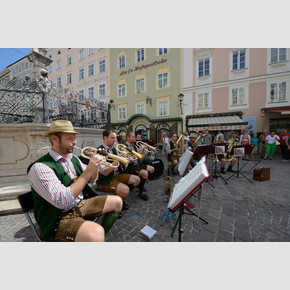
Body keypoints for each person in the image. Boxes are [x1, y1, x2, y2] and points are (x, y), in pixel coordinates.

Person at [27, 120, 122, 242]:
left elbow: (93, 178)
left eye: (75, 138)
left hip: (80, 204)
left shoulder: (73, 159)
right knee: (95, 233)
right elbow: (62, 201)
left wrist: (96, 164)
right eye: (70, 138)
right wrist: (88, 170)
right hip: (59, 218)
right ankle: (98, 238)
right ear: (55, 139)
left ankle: (101, 239)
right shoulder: (40, 167)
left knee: (118, 202)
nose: (75, 142)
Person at [96, 129, 141, 218]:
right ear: (105, 138)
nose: (115, 140)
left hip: (117, 175)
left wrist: (126, 156)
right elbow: (105, 172)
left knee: (137, 180)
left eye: (115, 138)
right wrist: (118, 159)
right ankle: (115, 206)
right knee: (125, 190)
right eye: (112, 138)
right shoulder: (99, 151)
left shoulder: (114, 149)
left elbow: (124, 163)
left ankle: (120, 197)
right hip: (105, 180)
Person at [122, 131, 155, 201]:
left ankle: (140, 185)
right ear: (128, 138)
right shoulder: (124, 147)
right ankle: (141, 192)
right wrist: (139, 152)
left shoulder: (134, 146)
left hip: (138, 165)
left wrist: (143, 151)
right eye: (133, 137)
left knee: (152, 169)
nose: (135, 139)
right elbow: (129, 160)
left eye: (134, 137)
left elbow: (141, 157)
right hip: (130, 167)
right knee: (145, 173)